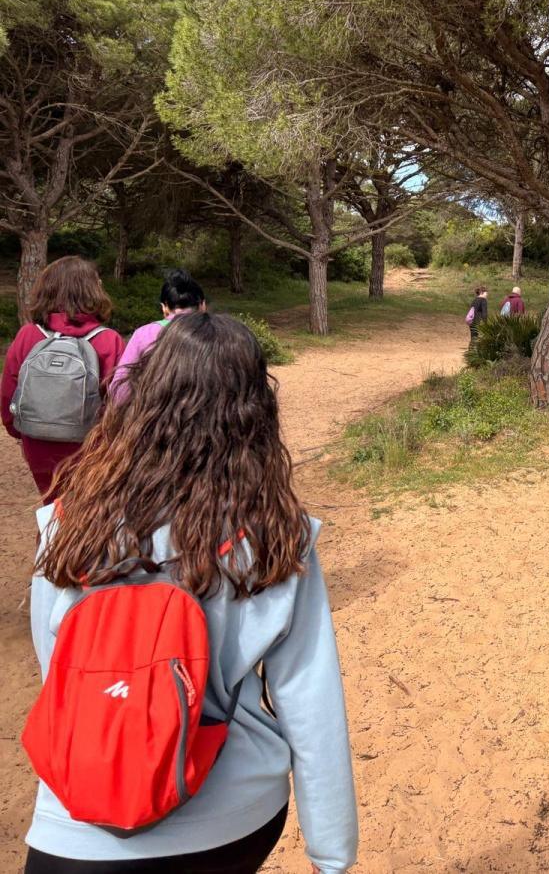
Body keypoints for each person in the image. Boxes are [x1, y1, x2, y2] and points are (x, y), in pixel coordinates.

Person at [24, 313, 356, 874]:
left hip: (78, 823)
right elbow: (309, 695)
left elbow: (56, 665)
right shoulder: (274, 534)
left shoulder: (67, 522)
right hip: (234, 813)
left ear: (144, 395)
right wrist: (332, 851)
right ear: (255, 410)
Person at [1, 257, 125, 500]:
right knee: (88, 514)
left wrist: (20, 432)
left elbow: (8, 393)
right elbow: (120, 402)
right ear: (92, 291)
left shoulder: (28, 335)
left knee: (53, 509)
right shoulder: (108, 340)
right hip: (90, 446)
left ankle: (49, 539)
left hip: (37, 441)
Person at [110, 270, 207, 403]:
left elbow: (120, 391)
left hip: (156, 417)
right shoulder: (221, 334)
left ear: (165, 307)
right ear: (202, 305)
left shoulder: (144, 334)